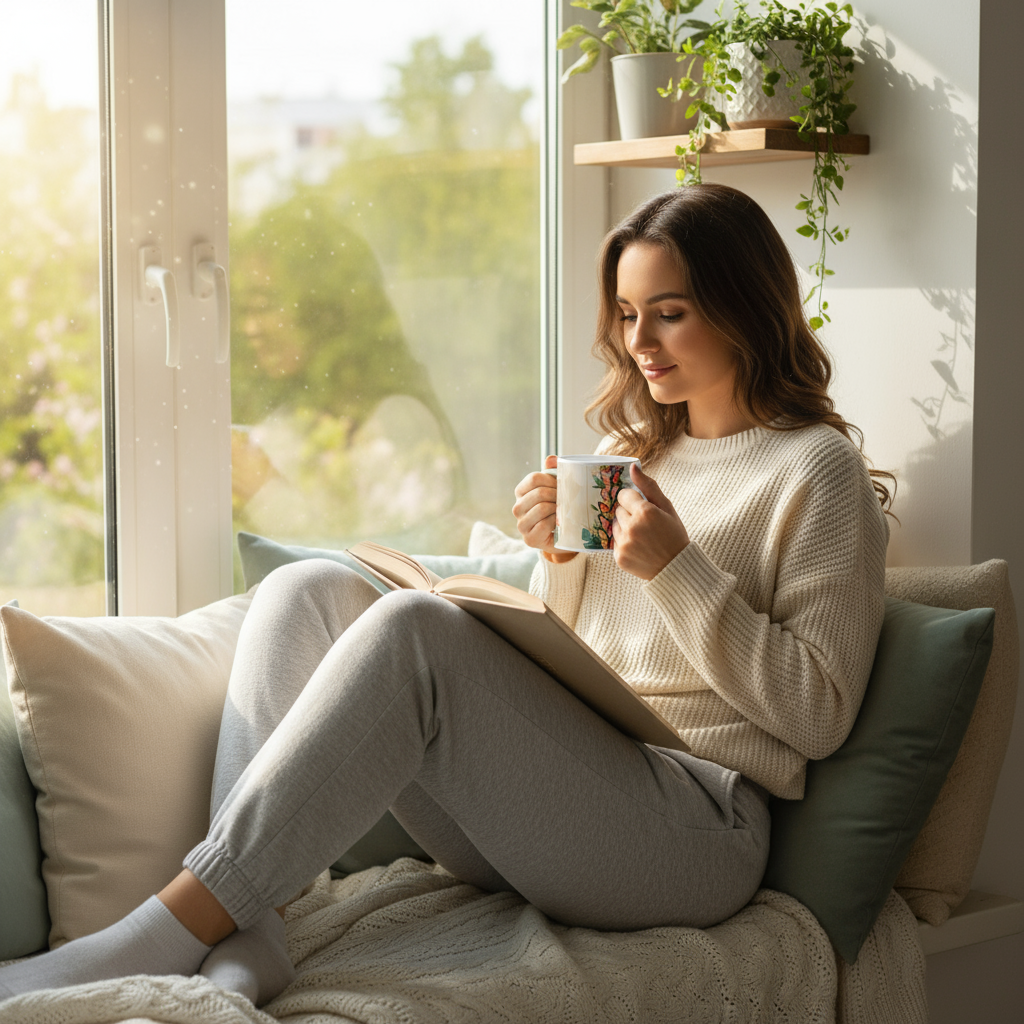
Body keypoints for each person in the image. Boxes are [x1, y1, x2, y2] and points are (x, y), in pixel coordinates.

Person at [0, 183, 892, 1009]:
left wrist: (677, 570)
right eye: (626, 316)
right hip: (576, 791)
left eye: (670, 314)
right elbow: (586, 655)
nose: (638, 344)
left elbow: (816, 717)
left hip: (697, 834)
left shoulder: (817, 472)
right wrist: (558, 563)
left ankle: (163, 929)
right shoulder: (638, 457)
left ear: (743, 308)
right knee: (309, 588)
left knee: (417, 633)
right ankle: (251, 925)